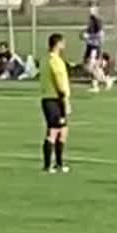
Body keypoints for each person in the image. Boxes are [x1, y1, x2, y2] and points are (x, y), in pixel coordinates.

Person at [41, 32, 71, 174]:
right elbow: (58, 80)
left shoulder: (46, 59)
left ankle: (59, 163)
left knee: (63, 131)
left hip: (50, 98)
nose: (64, 46)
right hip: (54, 99)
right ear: (57, 44)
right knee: (53, 131)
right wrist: (64, 99)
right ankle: (48, 165)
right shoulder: (54, 61)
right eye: (63, 43)